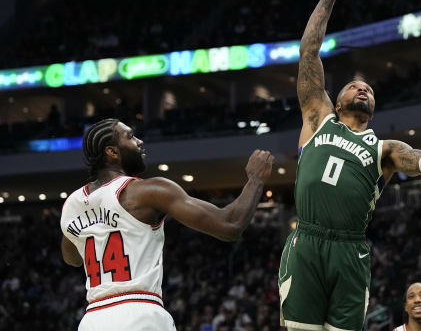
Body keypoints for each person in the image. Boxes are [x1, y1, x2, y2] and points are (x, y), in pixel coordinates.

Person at [277, 0, 421, 330]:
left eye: (368, 89)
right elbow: (309, 52)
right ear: (337, 99)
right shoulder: (318, 118)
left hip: (349, 249)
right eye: (354, 86)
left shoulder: (384, 149)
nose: (362, 89)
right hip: (308, 240)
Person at [60, 119, 273, 331]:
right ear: (112, 152)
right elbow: (230, 225)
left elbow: (72, 259)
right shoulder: (146, 192)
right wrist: (255, 180)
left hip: (93, 319)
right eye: (131, 136)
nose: (140, 141)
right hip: (140, 314)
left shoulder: (73, 204)